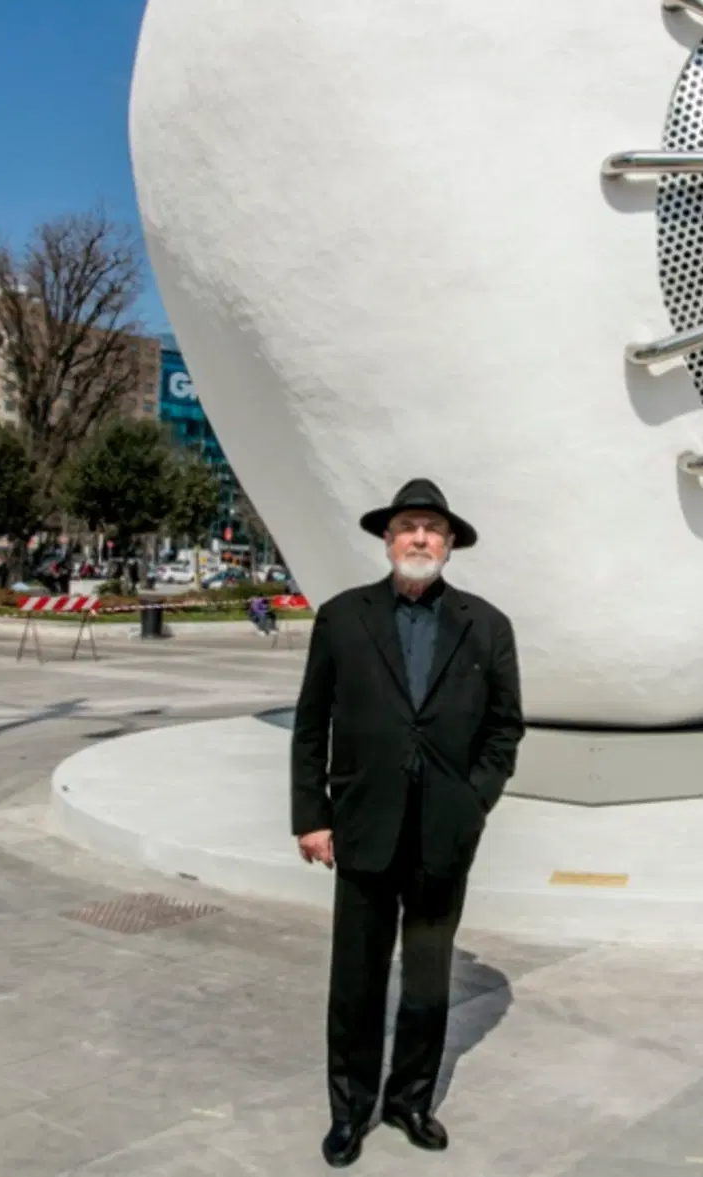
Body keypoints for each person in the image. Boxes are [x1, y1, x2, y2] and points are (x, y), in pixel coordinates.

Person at [291, 480, 524, 1167]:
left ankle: (410, 1100)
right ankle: (349, 1110)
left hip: (441, 836)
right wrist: (312, 815)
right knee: (356, 982)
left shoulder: (486, 625)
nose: (420, 538)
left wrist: (473, 799)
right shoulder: (342, 618)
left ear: (449, 544)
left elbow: (504, 728)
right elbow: (311, 725)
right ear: (388, 540)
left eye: (432, 528)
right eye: (408, 526)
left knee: (426, 983)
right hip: (363, 827)